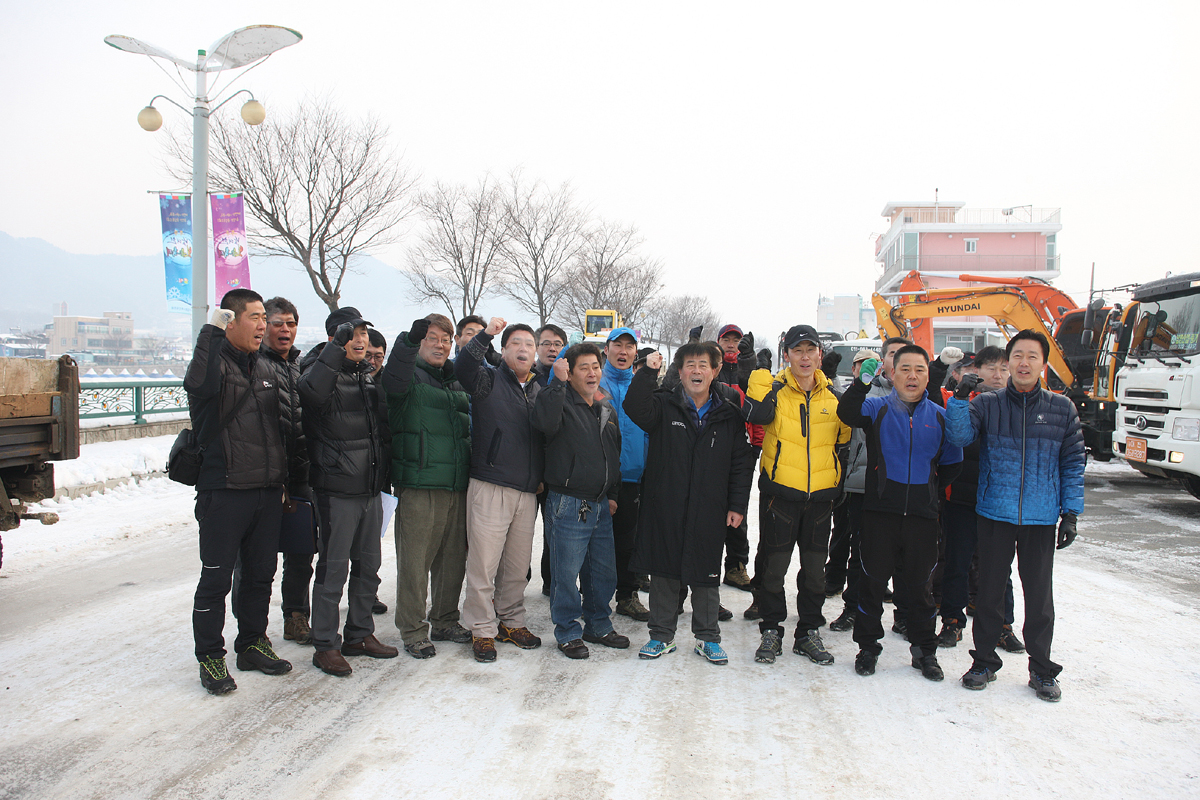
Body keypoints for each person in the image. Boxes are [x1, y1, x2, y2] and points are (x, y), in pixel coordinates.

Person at [945, 330, 1085, 701]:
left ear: (1043, 364)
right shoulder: (988, 404)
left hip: (1041, 517)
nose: (1024, 363)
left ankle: (1042, 669)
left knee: (1039, 597)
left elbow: (1073, 463)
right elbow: (958, 438)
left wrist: (1071, 512)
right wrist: (959, 399)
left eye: (1032, 356)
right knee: (989, 593)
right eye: (1017, 356)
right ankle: (984, 662)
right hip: (996, 512)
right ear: (1009, 363)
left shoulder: (1061, 408)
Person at [185, 289, 291, 695]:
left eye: (265, 317)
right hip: (225, 490)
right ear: (230, 322)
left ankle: (251, 644)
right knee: (216, 580)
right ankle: (210, 655)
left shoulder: (265, 365)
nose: (263, 325)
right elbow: (197, 383)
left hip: (265, 489)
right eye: (255, 317)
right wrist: (209, 332)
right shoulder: (213, 364)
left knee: (261, 575)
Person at [837, 344, 962, 680]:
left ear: (927, 376)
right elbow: (847, 413)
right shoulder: (877, 407)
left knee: (921, 589)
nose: (912, 376)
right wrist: (861, 383)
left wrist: (928, 491)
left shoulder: (939, 416)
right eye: (905, 369)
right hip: (880, 513)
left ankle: (924, 652)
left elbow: (952, 463)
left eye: (919, 370)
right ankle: (868, 648)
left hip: (922, 518)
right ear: (892, 374)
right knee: (872, 584)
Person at [624, 344, 753, 664]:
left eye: (703, 365)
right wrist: (649, 372)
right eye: (690, 365)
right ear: (679, 372)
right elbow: (633, 407)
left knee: (706, 573)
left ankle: (708, 637)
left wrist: (737, 505)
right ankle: (661, 635)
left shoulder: (729, 414)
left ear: (715, 371)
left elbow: (740, 463)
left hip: (709, 507)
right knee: (665, 571)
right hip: (665, 505)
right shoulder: (663, 405)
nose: (697, 370)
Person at [742, 324, 851, 665]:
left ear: (820, 354)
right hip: (781, 497)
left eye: (810, 350)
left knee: (815, 573)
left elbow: (844, 444)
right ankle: (771, 630)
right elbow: (754, 414)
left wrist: (836, 485)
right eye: (797, 350)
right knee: (774, 570)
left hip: (820, 500)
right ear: (787, 355)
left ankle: (808, 632)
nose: (804, 357)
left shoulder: (834, 398)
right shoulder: (775, 391)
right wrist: (761, 372)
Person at [299, 308, 398, 676]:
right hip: (336, 488)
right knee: (333, 570)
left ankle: (359, 634)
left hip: (370, 488)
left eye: (363, 335)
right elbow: (311, 394)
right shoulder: (317, 370)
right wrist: (334, 351)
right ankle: (325, 644)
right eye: (351, 335)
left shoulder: (365, 376)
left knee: (369, 567)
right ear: (333, 339)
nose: (360, 341)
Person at [381, 315, 472, 659]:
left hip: (456, 484)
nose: (439, 345)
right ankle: (413, 629)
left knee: (452, 560)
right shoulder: (406, 377)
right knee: (415, 563)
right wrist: (407, 341)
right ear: (420, 342)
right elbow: (393, 376)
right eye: (431, 338)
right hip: (419, 484)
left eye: (445, 339)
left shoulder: (455, 381)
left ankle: (445, 619)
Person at [456, 317, 545, 663]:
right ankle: (481, 628)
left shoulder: (538, 390)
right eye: (516, 343)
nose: (523, 349)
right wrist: (485, 335)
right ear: (504, 350)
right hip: (491, 484)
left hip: (526, 491)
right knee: (483, 564)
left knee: (516, 567)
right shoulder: (488, 380)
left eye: (529, 344)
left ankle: (511, 621)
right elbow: (463, 367)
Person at [533, 343, 628, 659]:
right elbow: (544, 424)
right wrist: (556, 383)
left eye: (595, 367)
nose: (591, 373)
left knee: (603, 573)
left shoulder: (606, 407)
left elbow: (614, 453)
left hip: (600, 504)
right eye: (583, 367)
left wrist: (612, 495)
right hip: (568, 503)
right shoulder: (559, 402)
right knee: (565, 574)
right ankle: (568, 631)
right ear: (570, 373)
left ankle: (598, 625)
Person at [937, 347, 1024, 653]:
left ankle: (1003, 626)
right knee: (957, 562)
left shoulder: (1018, 406)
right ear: (978, 370)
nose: (998, 375)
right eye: (991, 368)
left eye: (1004, 368)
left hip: (1000, 500)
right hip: (962, 497)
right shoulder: (961, 401)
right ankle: (952, 621)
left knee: (1000, 567)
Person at [260, 297, 313, 645]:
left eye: (291, 324)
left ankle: (296, 617)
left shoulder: (300, 367)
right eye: (278, 323)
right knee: (257, 560)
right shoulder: (254, 364)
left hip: (300, 476)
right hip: (264, 478)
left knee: (300, 554)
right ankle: (253, 629)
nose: (285, 330)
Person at [595, 327, 652, 623]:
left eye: (630, 346)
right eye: (618, 345)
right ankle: (593, 596)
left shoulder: (641, 387)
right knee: (596, 541)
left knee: (628, 542)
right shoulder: (595, 381)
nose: (623, 351)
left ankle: (627, 596)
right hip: (598, 478)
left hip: (632, 477)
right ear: (607, 349)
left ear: (635, 353)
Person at [823, 348, 879, 633]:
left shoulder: (885, 395)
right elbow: (839, 406)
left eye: (871, 364)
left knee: (865, 547)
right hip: (849, 476)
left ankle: (864, 601)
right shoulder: (849, 392)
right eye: (859, 364)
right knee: (841, 533)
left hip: (874, 481)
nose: (864, 369)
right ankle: (833, 579)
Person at [365, 326, 390, 616]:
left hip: (381, 474)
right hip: (347, 475)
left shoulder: (388, 384)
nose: (372, 362)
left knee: (372, 540)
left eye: (378, 356)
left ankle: (368, 591)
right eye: (368, 355)